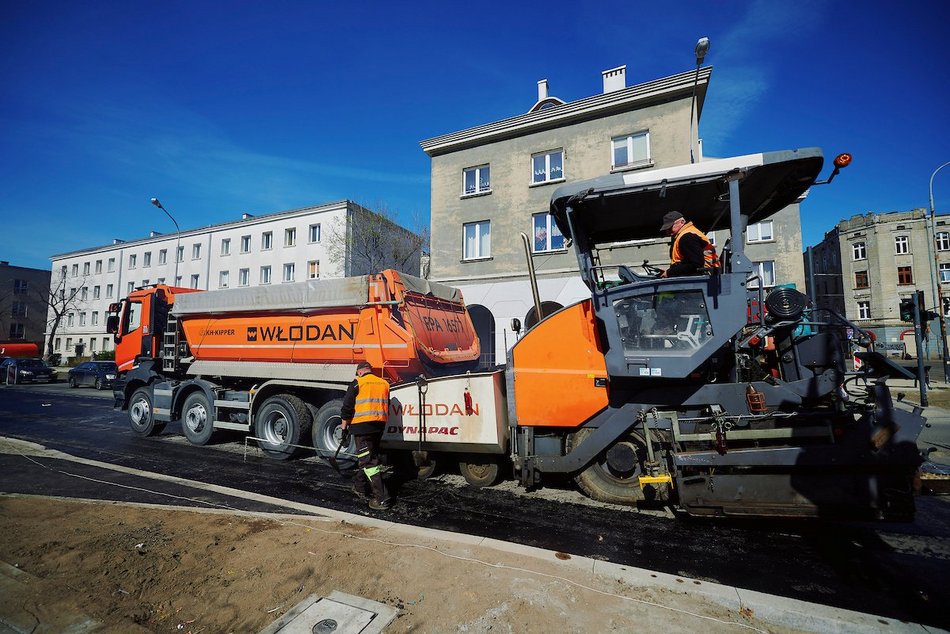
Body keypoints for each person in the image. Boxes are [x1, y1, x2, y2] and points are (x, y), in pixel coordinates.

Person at [340, 361, 393, 510]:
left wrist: (344, 429)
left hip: (362, 429)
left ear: (360, 372)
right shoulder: (384, 383)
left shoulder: (357, 382)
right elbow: (386, 405)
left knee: (369, 463)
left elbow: (347, 408)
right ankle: (360, 486)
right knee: (369, 457)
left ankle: (382, 499)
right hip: (378, 427)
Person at [658, 211, 719, 277]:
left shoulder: (687, 237)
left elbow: (695, 265)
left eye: (670, 227)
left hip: (704, 278)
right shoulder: (685, 234)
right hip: (706, 276)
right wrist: (670, 270)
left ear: (682, 222)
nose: (668, 231)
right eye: (666, 229)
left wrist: (670, 272)